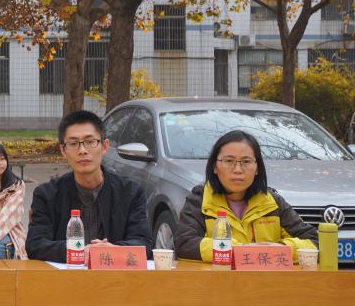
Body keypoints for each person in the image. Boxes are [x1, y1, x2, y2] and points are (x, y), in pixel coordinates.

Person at [26, 110, 152, 261]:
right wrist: (77, 251)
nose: (82, 151)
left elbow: (143, 243)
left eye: (90, 142)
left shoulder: (131, 192)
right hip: (66, 275)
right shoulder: (47, 194)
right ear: (63, 151)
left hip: (115, 274)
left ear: (104, 146)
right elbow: (35, 245)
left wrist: (112, 251)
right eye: (73, 144)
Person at [174, 130, 318, 262]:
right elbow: (185, 244)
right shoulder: (199, 201)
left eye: (246, 162)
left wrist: (279, 249)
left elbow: (314, 242)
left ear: (257, 168)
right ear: (214, 167)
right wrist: (241, 251)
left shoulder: (272, 202)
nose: (238, 170)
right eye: (229, 161)